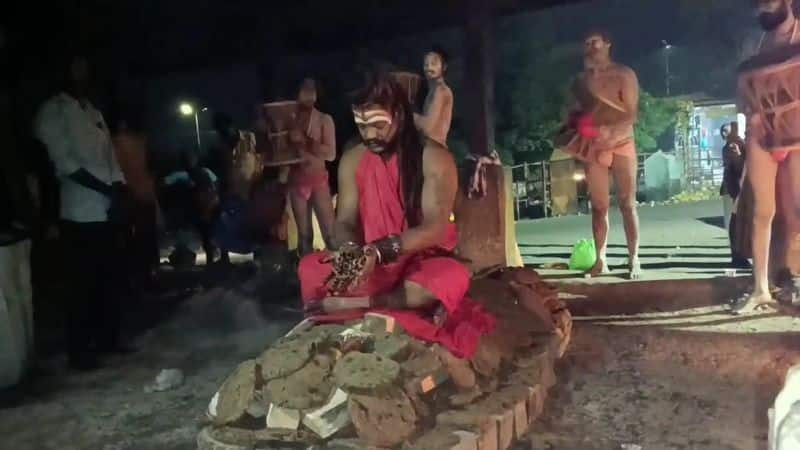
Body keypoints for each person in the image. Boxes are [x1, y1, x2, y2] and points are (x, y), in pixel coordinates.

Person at [297, 72, 494, 358]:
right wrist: (351, 252)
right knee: (309, 267)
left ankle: (356, 304)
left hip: (419, 263)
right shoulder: (353, 159)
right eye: (361, 126)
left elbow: (435, 230)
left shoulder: (434, 157)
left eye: (378, 125)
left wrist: (377, 251)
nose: (370, 135)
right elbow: (345, 221)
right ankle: (382, 305)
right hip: (372, 266)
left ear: (400, 115)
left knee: (448, 278)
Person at [33, 56, 131, 370]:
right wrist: (106, 189)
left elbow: (110, 157)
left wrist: (118, 188)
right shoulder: (53, 111)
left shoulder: (91, 110)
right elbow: (65, 164)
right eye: (74, 67)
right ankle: (80, 351)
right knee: (82, 284)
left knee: (108, 278)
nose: (81, 73)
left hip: (105, 210)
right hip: (78, 209)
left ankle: (108, 340)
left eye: (83, 67)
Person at [731, 0, 800, 313]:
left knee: (797, 209)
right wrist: (751, 112)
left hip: (798, 132)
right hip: (762, 135)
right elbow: (742, 87)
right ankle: (760, 288)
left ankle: (793, 276)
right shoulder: (752, 43)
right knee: (762, 211)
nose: (763, 6)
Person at [566, 30, 641, 279]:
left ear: (607, 44)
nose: (590, 47)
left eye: (594, 42)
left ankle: (634, 258)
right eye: (586, 43)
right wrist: (579, 127)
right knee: (599, 207)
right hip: (594, 146)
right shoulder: (580, 80)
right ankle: (600, 259)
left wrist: (610, 131)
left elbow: (631, 112)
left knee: (628, 204)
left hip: (622, 142)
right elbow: (575, 112)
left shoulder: (623, 74)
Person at [287, 78, 336, 256]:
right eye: (304, 90)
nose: (308, 94)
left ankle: (339, 273)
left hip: (318, 181)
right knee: (304, 235)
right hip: (296, 182)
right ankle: (308, 275)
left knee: (331, 235)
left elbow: (331, 154)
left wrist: (306, 141)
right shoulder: (288, 121)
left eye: (312, 90)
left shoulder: (324, 119)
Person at [720, 122, 751, 269]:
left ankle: (739, 255)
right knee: (735, 223)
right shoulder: (732, 147)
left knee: (736, 223)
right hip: (734, 190)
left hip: (735, 189)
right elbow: (736, 167)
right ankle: (738, 256)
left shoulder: (736, 145)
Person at [413, 46, 453, 147]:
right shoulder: (433, 90)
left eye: (434, 64)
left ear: (444, 67)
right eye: (426, 64)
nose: (429, 68)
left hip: (434, 150)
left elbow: (426, 127)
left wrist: (406, 112)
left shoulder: (440, 91)